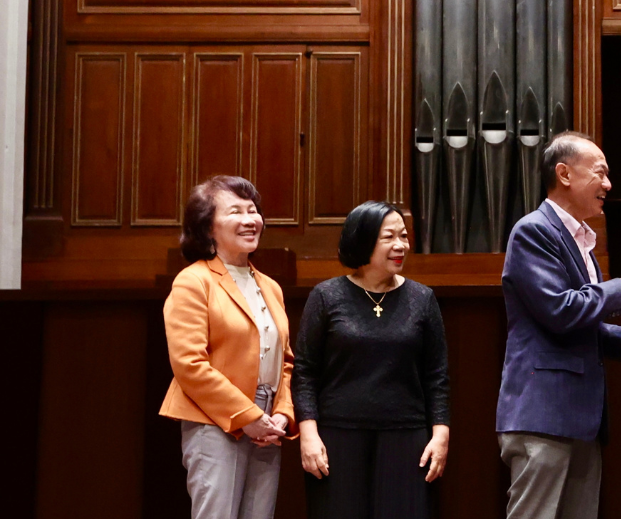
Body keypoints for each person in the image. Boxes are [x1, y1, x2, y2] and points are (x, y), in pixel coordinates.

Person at [496, 131, 621, 519]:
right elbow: (559, 309)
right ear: (564, 174)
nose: (608, 184)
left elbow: (578, 323)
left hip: (580, 418)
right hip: (544, 414)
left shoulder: (582, 240)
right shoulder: (533, 231)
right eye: (601, 173)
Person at [292, 201, 451, 518]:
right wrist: (308, 434)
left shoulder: (423, 298)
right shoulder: (326, 296)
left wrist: (441, 435)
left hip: (407, 438)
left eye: (403, 236)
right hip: (338, 437)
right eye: (389, 237)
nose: (400, 245)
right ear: (362, 240)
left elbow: (437, 377)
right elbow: (305, 372)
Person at [160, 175, 295, 519]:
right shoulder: (194, 280)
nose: (250, 220)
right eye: (236, 211)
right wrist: (247, 416)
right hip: (214, 421)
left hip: (267, 424)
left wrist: (281, 413)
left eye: (253, 211)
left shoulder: (270, 286)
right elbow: (189, 363)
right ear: (208, 228)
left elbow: (286, 362)